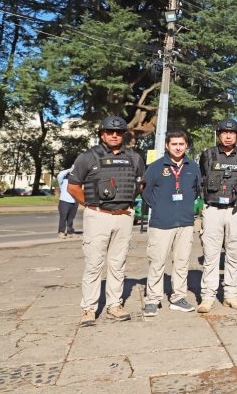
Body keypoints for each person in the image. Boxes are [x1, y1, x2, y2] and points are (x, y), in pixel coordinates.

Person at [67, 116, 145, 327]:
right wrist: (91, 205)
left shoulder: (135, 158)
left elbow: (140, 184)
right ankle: (88, 308)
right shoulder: (88, 157)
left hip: (124, 217)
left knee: (118, 264)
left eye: (118, 132)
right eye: (109, 131)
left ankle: (114, 305)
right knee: (94, 264)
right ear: (101, 134)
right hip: (98, 216)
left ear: (123, 135)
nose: (114, 135)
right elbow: (72, 187)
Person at [197, 118, 237, 313]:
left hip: (235, 211)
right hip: (212, 210)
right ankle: (208, 296)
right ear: (219, 134)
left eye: (232, 133)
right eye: (224, 132)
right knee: (211, 254)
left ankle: (231, 294)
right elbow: (201, 180)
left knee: (234, 254)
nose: (228, 136)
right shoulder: (207, 155)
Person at [142, 130, 201, 316]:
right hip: (161, 223)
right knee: (157, 262)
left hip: (185, 222)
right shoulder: (155, 167)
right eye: (174, 144)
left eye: (181, 144)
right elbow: (146, 193)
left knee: (182, 262)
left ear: (186, 146)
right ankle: (153, 299)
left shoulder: (193, 167)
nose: (177, 147)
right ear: (167, 146)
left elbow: (196, 190)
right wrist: (161, 207)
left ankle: (178, 297)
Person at [57, 165, 78, 238]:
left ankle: (70, 232)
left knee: (71, 218)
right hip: (64, 202)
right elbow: (60, 175)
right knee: (63, 218)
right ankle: (61, 232)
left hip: (74, 202)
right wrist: (70, 169)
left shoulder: (76, 181)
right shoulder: (63, 180)